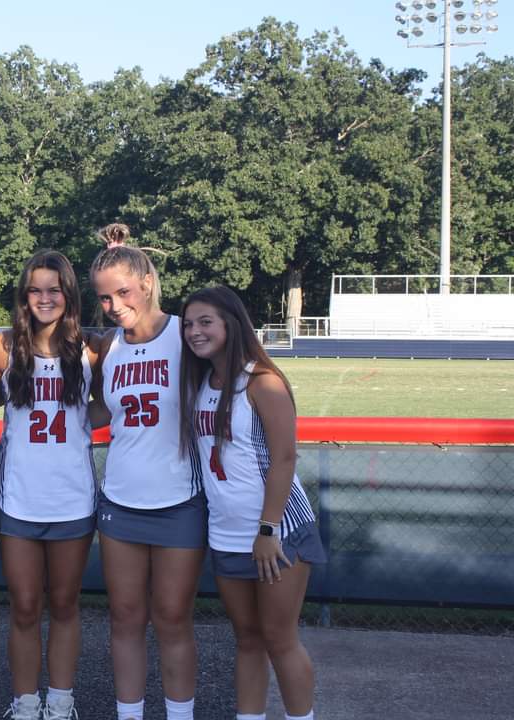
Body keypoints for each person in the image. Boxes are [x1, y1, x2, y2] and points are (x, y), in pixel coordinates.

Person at [179, 286, 326, 720]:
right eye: (188, 324)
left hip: (276, 531)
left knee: (280, 639)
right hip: (226, 530)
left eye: (205, 321)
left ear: (231, 323)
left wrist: (267, 529)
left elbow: (284, 458)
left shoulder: (262, 381)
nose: (194, 331)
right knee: (246, 638)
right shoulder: (202, 382)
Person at [89, 240, 206, 720]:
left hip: (179, 499)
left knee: (174, 620)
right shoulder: (108, 348)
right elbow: (95, 410)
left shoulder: (187, 335)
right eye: (104, 298)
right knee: (125, 619)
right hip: (121, 500)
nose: (115, 306)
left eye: (123, 293)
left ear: (148, 283)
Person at [0, 250, 99, 720]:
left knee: (65, 604)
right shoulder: (4, 346)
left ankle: (60, 701)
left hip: (72, 498)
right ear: (23, 295)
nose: (44, 298)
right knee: (25, 607)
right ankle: (26, 702)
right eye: (35, 289)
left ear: (69, 294)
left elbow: (114, 403)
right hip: (19, 499)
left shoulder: (93, 347)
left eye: (54, 289)